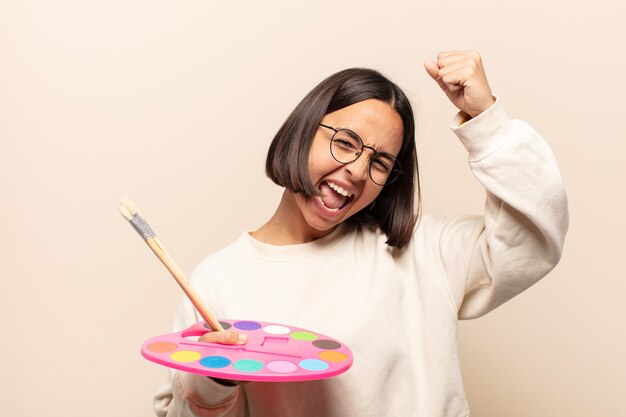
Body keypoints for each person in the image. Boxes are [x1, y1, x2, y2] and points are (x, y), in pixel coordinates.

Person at [153, 51, 569, 417]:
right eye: (347, 142)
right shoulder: (219, 278)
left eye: (380, 162)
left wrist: (487, 124)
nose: (356, 169)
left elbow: (532, 238)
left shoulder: (421, 250)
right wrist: (215, 382)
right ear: (303, 129)